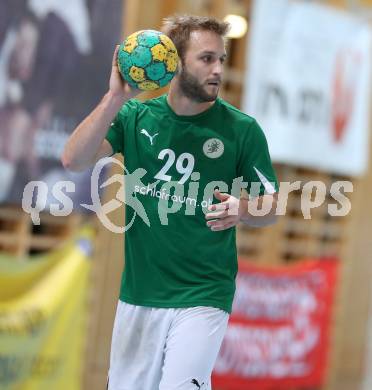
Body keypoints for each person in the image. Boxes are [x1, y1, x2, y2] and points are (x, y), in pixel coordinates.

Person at [62, 14, 279, 390]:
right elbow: (74, 160)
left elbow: (272, 206)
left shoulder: (241, 130)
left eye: (221, 60)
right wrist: (115, 97)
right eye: (206, 58)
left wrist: (243, 209)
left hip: (203, 294)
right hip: (139, 294)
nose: (217, 70)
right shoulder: (135, 116)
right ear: (173, 62)